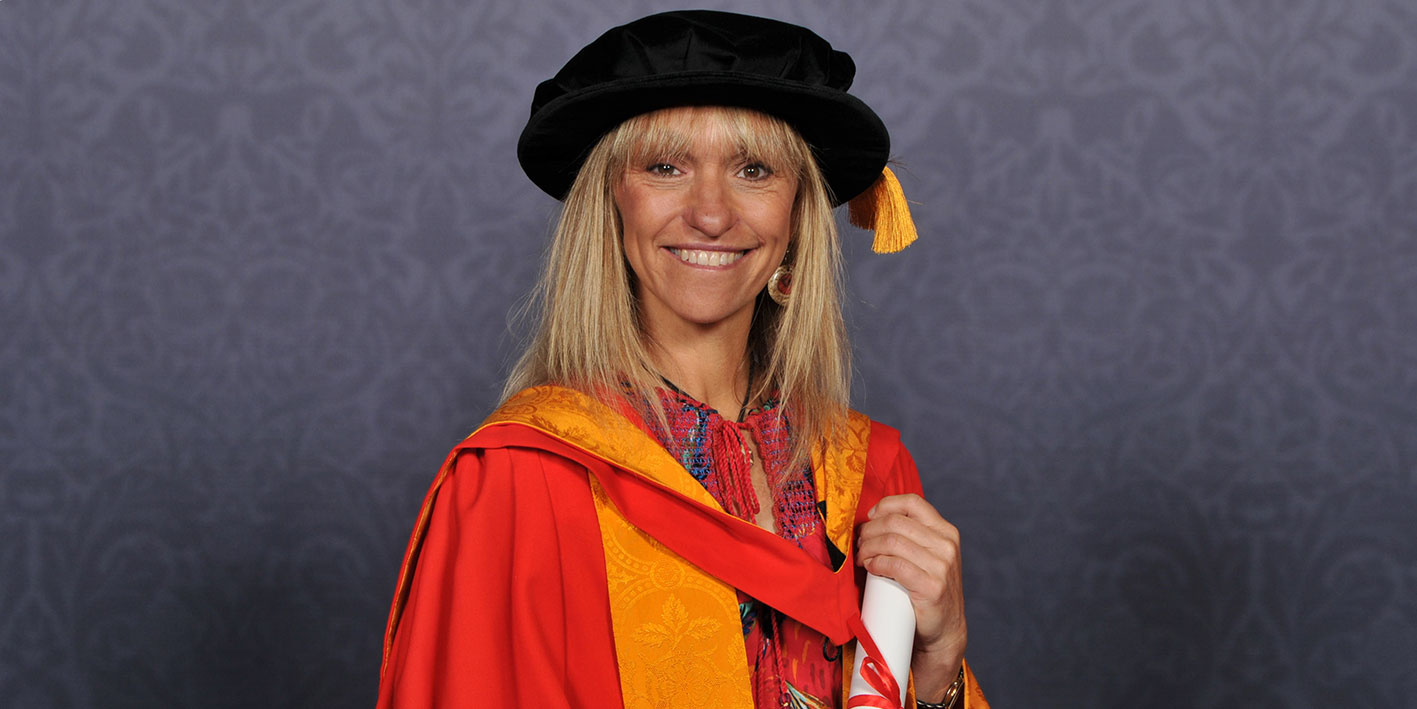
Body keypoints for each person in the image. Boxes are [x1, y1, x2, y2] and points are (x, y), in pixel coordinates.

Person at [376, 10, 988, 709]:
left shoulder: (869, 475)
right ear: (611, 204)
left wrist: (939, 670)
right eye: (665, 167)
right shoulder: (521, 483)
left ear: (795, 217)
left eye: (753, 169)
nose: (710, 213)